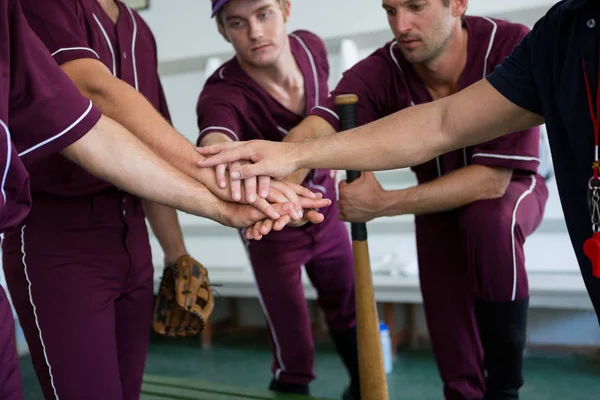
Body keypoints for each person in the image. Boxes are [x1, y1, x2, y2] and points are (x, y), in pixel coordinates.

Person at [199, 0, 600, 395]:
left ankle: (504, 387)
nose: (401, 24)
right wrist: (287, 177)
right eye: (390, 10)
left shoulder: (509, 41)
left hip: (508, 189)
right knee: (453, 352)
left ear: (457, 4)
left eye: (415, 6)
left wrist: (385, 203)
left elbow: (491, 181)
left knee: (488, 220)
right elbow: (323, 125)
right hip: (431, 206)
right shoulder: (384, 67)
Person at [3, 1, 330, 400]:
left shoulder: (139, 29)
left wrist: (177, 254)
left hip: (133, 234)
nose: (256, 31)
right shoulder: (46, 6)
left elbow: (147, 148)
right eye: (240, 22)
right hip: (61, 238)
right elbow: (93, 94)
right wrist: (227, 184)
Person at [195, 0, 359, 398]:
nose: (254, 31)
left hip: (328, 212)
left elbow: (330, 121)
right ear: (222, 31)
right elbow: (215, 144)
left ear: (286, 9)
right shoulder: (221, 93)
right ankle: (291, 385)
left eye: (263, 13)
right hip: (271, 225)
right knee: (292, 342)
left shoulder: (311, 48)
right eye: (237, 22)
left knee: (350, 309)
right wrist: (216, 154)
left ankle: (363, 385)